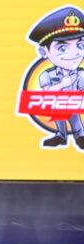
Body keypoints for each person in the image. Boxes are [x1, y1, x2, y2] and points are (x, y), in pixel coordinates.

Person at [28, 6, 84, 149]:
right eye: (62, 48)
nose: (75, 53)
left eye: (80, 45)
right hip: (57, 104)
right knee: (58, 111)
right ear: (44, 52)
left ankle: (80, 136)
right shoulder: (47, 75)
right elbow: (46, 94)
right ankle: (61, 135)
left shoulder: (81, 74)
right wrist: (62, 84)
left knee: (73, 113)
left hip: (75, 104)